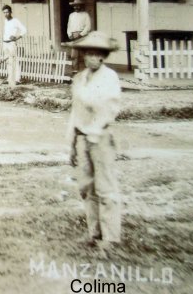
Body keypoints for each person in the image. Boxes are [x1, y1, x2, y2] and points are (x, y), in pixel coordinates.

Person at [67, 31, 122, 252]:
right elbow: (75, 112)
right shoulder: (80, 78)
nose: (89, 58)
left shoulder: (109, 78)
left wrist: (94, 130)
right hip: (82, 137)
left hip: (100, 137)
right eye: (86, 54)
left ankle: (110, 237)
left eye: (94, 54)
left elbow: (109, 109)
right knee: (86, 187)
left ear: (103, 56)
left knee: (105, 187)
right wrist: (71, 143)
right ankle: (94, 233)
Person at [1, 5, 26, 86]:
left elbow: (24, 30)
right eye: (4, 12)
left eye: (7, 12)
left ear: (10, 12)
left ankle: (17, 79)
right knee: (8, 61)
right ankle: (10, 78)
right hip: (5, 43)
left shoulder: (15, 21)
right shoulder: (5, 21)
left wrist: (17, 37)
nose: (6, 14)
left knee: (14, 61)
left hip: (11, 43)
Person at [67, 0, 92, 73]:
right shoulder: (71, 15)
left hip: (82, 36)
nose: (76, 7)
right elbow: (69, 26)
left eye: (78, 6)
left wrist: (81, 34)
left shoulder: (85, 14)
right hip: (74, 36)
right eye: (75, 6)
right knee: (74, 55)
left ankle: (86, 71)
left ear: (81, 6)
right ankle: (75, 70)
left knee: (84, 54)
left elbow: (88, 26)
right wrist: (70, 34)